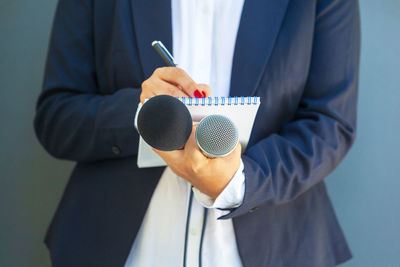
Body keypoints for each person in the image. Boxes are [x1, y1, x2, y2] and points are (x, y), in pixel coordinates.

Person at [34, 0, 360, 266]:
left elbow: (329, 125)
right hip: (115, 245)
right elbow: (56, 117)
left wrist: (237, 182)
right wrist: (147, 116)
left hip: (275, 247)